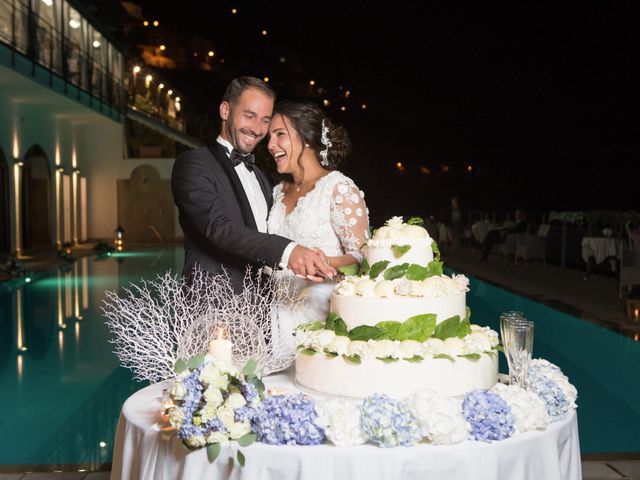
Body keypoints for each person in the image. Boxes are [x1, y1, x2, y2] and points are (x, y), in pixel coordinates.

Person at [171, 77, 335, 292]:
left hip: (267, 309)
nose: (258, 129)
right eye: (249, 116)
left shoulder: (263, 178)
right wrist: (288, 251)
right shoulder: (194, 164)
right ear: (225, 111)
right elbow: (218, 228)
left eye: (265, 120)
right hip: (216, 308)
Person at [266, 100, 370, 363]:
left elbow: (363, 259)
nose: (270, 145)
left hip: (319, 319)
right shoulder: (278, 192)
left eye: (280, 134)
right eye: (269, 137)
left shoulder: (337, 187)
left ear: (308, 138)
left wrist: (318, 264)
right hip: (274, 317)